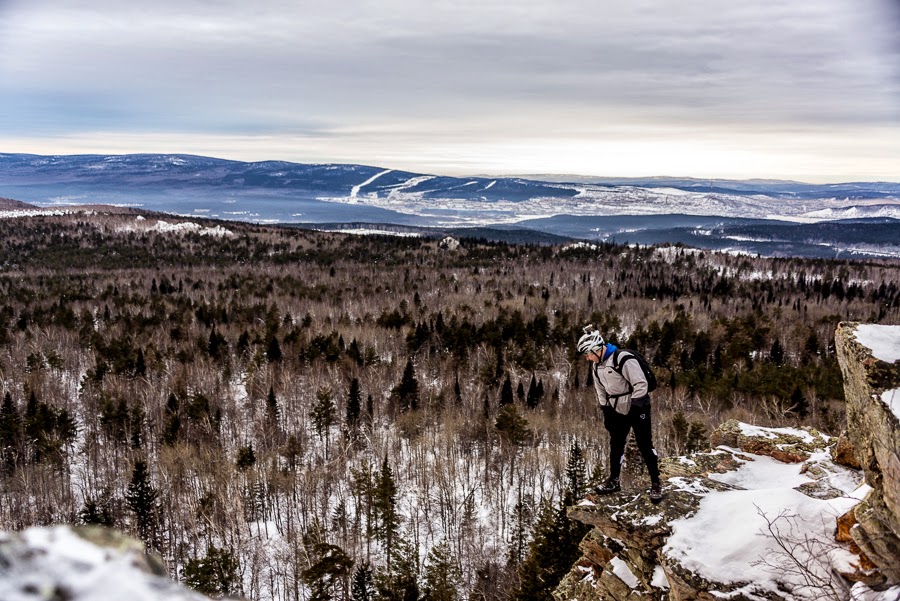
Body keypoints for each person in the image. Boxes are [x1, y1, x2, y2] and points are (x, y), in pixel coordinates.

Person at [577, 326, 662, 502]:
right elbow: (600, 390)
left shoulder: (623, 358)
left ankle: (656, 483)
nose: (587, 358)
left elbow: (641, 384)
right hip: (616, 408)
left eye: (588, 353)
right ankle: (614, 480)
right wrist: (606, 410)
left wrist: (636, 407)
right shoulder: (596, 366)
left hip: (637, 406)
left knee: (644, 444)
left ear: (596, 349)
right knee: (616, 445)